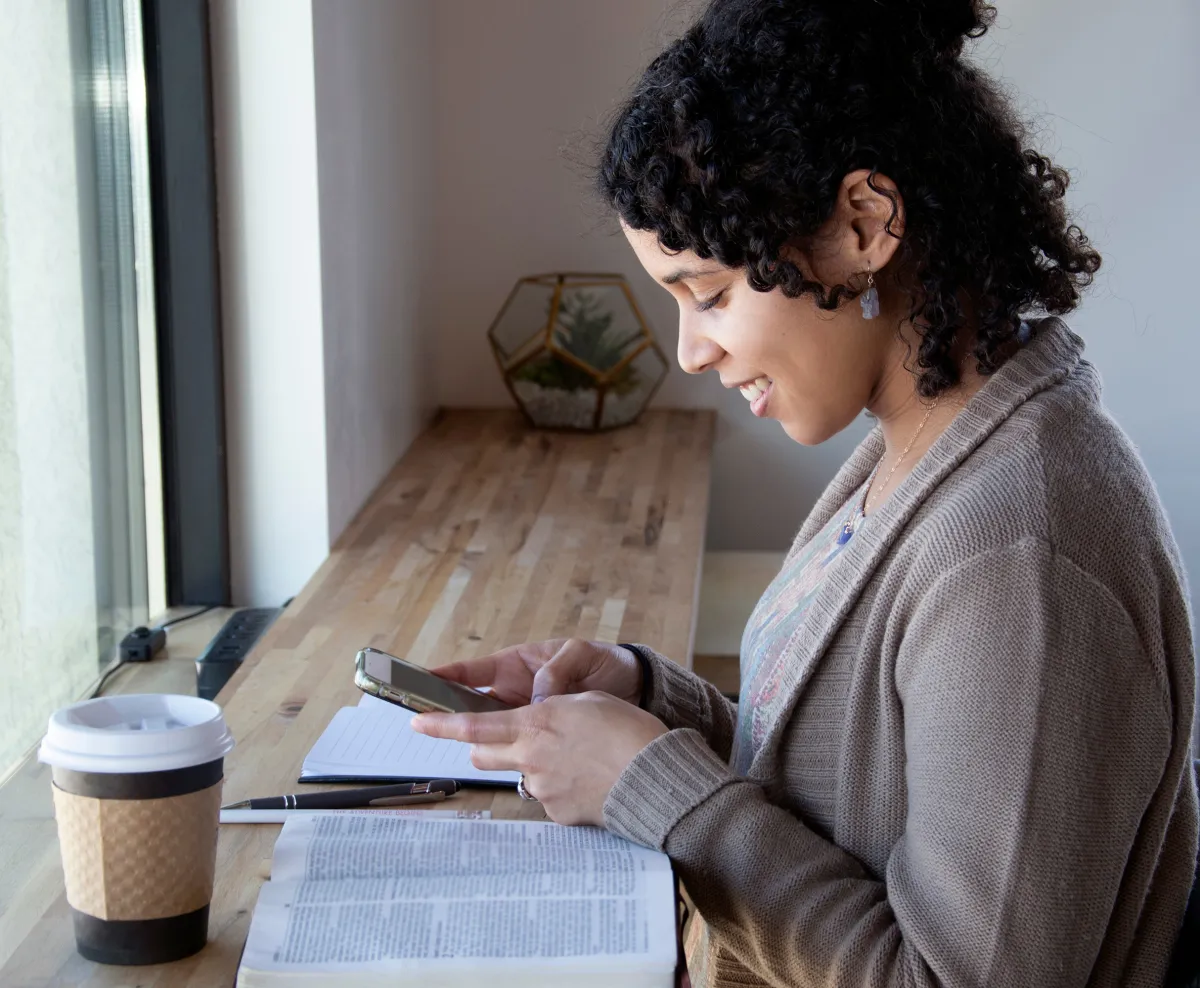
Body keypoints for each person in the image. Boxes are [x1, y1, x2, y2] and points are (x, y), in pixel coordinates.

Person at [412, 0, 1199, 984]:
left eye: (708, 294)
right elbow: (864, 791)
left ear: (864, 225)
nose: (691, 350)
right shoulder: (928, 442)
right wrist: (657, 702)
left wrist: (654, 788)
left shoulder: (1018, 556)